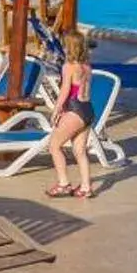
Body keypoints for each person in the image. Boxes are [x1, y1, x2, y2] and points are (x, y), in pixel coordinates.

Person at [41, 26, 98, 198]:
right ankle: (86, 187)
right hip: (88, 110)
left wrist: (56, 111)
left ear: (70, 48)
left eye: (65, 46)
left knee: (54, 146)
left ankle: (64, 184)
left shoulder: (69, 67)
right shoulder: (88, 67)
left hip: (74, 109)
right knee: (80, 151)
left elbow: (65, 91)